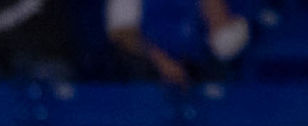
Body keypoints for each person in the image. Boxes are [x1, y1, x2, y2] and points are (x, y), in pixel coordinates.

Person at [106, 0, 250, 85]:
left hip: (203, 68)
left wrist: (218, 18)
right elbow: (123, 33)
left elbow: (226, 42)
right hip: (150, 68)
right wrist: (160, 60)